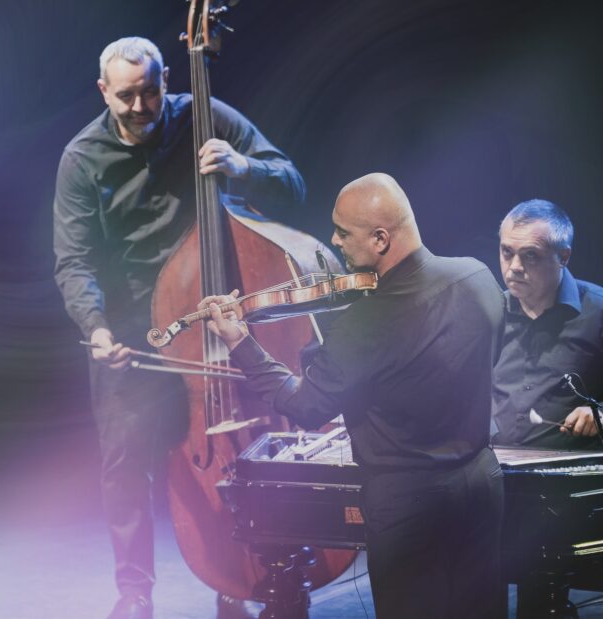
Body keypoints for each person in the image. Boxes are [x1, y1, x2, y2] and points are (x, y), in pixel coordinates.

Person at [53, 36, 305, 619]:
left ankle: (239, 578)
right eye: (126, 98)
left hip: (219, 324)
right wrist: (94, 328)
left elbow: (291, 182)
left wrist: (243, 167)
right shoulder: (82, 158)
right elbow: (74, 260)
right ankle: (135, 593)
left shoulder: (204, 116)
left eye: (151, 91)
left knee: (243, 452)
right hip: (132, 331)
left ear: (166, 77)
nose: (142, 108)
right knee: (124, 462)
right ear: (102, 92)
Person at [201, 173, 506, 619]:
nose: (334, 240)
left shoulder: (364, 323)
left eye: (344, 231)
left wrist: (239, 342)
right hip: (481, 483)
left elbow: (305, 406)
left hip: (408, 503)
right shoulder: (477, 277)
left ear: (380, 239)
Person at [493, 199, 602, 450]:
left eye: (530, 255)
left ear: (563, 256)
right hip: (498, 474)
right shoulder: (490, 311)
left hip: (570, 479)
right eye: (507, 252)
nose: (515, 268)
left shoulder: (597, 311)